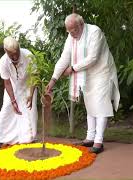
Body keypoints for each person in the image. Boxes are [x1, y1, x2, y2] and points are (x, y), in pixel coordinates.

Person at [46, 13, 120, 154]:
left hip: (102, 71)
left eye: (73, 30)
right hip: (86, 74)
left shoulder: (94, 32)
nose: (71, 34)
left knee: (101, 104)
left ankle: (98, 141)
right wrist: (53, 79)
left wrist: (72, 69)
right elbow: (64, 57)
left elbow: (93, 58)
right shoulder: (71, 36)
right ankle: (90, 138)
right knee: (90, 104)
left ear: (81, 24)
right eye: (69, 31)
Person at [0, 36, 37, 150]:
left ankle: (29, 138)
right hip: (12, 86)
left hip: (28, 85)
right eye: (12, 55)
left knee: (29, 111)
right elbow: (7, 82)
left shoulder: (28, 55)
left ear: (19, 48)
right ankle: (0, 139)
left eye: (17, 53)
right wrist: (13, 101)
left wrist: (30, 95)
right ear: (6, 51)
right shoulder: (3, 61)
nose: (15, 56)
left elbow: (34, 76)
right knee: (6, 109)